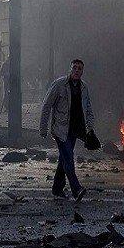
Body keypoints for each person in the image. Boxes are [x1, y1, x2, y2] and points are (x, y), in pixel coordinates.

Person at [40, 59, 95, 201]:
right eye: (74, 68)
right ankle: (76, 189)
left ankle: (57, 189)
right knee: (68, 157)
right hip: (60, 129)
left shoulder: (84, 88)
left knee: (64, 158)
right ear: (70, 69)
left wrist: (90, 129)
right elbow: (46, 105)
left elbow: (88, 109)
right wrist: (43, 127)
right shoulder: (59, 84)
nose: (76, 70)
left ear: (82, 72)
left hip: (75, 130)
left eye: (79, 68)